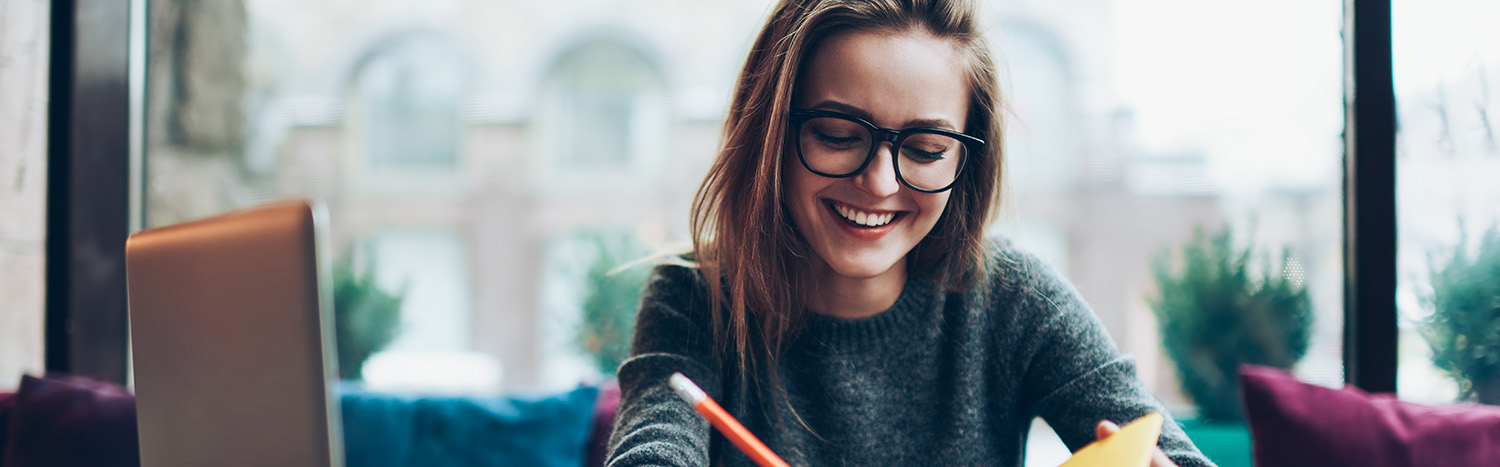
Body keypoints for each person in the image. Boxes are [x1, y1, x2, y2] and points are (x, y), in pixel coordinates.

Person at [605, 0, 1215, 466]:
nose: (877, 183)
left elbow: (1170, 451)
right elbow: (653, 445)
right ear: (771, 137)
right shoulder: (694, 296)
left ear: (964, 163)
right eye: (839, 135)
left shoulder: (1014, 298)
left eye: (925, 148)